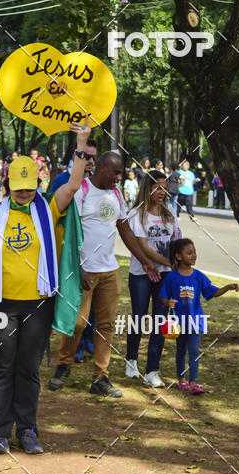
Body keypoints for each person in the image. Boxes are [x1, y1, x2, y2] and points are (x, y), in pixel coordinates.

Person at [0, 122, 92, 455]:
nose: (24, 192)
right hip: (1, 305)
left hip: (38, 305)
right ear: (7, 184)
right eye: (18, 187)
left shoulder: (49, 209)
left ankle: (28, 429)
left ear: (39, 183)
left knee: (29, 369)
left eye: (30, 186)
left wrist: (81, 143)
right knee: (3, 368)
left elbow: (75, 183)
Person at [49, 152, 163, 398]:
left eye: (121, 173)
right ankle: (63, 365)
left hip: (109, 269)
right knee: (77, 322)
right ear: (101, 168)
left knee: (106, 325)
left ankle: (100, 377)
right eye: (116, 172)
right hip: (84, 270)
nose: (119, 177)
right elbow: (68, 234)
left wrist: (145, 261)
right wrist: (79, 269)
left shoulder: (116, 193)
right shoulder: (82, 191)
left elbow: (124, 229)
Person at [160, 238, 238, 394]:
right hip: (179, 321)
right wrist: (168, 302)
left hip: (196, 320)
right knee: (181, 350)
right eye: (189, 253)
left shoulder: (199, 276)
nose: (194, 255)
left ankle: (193, 382)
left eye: (194, 252)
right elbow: (162, 297)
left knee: (194, 350)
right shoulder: (171, 277)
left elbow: (213, 292)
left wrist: (227, 287)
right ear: (178, 256)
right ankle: (181, 379)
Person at [125, 170, 180, 387]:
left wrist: (178, 260)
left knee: (160, 320)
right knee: (138, 317)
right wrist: (168, 262)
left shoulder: (169, 213)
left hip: (165, 277)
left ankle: (152, 370)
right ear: (147, 188)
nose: (162, 191)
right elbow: (142, 247)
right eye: (157, 187)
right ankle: (131, 360)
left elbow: (176, 240)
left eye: (164, 187)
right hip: (141, 274)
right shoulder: (137, 214)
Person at [51, 139, 98, 361]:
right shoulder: (62, 181)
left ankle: (89, 339)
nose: (90, 162)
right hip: (70, 250)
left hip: (94, 251)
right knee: (75, 300)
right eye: (86, 157)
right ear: (76, 156)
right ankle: (73, 346)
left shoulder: (99, 184)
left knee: (93, 305)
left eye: (93, 158)